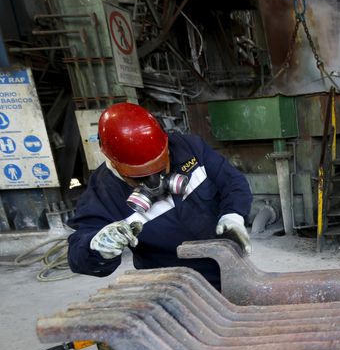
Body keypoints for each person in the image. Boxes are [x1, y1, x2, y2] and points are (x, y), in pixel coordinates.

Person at [67, 103, 253, 291]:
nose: (154, 182)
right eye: (139, 177)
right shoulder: (102, 195)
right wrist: (97, 248)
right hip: (170, 289)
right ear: (115, 164)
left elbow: (233, 182)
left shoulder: (191, 149)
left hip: (227, 269)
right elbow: (77, 255)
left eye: (159, 168)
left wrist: (233, 215)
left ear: (165, 145)